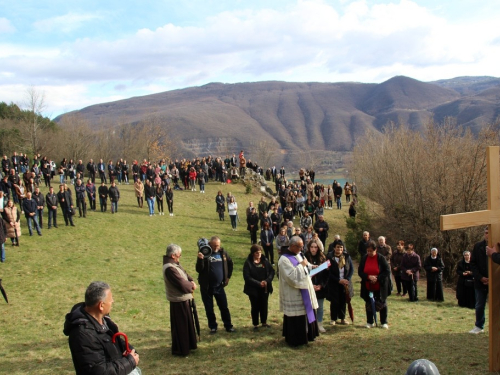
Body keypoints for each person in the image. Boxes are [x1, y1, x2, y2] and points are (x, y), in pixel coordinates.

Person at [64, 281, 140, 375]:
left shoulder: (102, 318)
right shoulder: (84, 335)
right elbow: (99, 371)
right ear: (101, 305)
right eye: (110, 299)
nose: (113, 301)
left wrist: (129, 349)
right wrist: (130, 362)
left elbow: (113, 341)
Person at [278, 236, 319, 346]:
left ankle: (309, 334)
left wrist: (312, 266)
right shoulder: (284, 259)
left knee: (307, 312)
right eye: (300, 247)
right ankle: (296, 339)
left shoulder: (298, 254)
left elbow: (305, 265)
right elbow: (291, 277)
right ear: (292, 246)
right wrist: (303, 266)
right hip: (293, 292)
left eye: (302, 246)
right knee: (297, 316)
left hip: (305, 289)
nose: (302, 249)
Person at [162, 243, 198, 356]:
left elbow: (185, 275)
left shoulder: (174, 264)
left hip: (183, 299)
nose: (180, 256)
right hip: (178, 300)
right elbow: (181, 284)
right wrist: (191, 286)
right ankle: (182, 349)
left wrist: (191, 280)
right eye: (179, 255)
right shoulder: (170, 269)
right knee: (181, 327)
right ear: (173, 255)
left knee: (186, 325)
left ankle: (189, 346)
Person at [196, 236, 235, 333]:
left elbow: (230, 264)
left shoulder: (223, 253)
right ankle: (213, 327)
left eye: (218, 245)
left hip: (219, 286)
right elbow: (199, 269)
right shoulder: (205, 252)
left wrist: (228, 277)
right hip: (206, 287)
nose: (216, 247)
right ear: (210, 244)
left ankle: (228, 326)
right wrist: (200, 259)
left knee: (224, 307)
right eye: (214, 246)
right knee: (209, 308)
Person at [358, 240, 391, 329]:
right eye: (367, 251)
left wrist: (377, 278)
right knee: (368, 303)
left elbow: (387, 271)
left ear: (375, 250)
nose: (369, 253)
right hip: (368, 286)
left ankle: (383, 322)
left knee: (382, 303)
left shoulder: (381, 258)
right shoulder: (364, 258)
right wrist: (368, 277)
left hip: (380, 286)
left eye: (371, 251)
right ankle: (370, 322)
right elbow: (360, 272)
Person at [243, 244, 275, 330]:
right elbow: (247, 277)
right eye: (257, 253)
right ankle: (255, 324)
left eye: (260, 252)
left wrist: (267, 281)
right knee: (255, 306)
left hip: (265, 288)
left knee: (264, 305)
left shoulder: (265, 261)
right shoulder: (248, 263)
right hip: (253, 289)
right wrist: (258, 283)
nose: (259, 254)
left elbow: (272, 271)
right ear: (253, 253)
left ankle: (264, 322)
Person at [326, 242, 354, 327]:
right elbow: (328, 272)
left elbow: (351, 269)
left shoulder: (347, 257)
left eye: (341, 247)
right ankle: (333, 318)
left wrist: (347, 279)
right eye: (338, 247)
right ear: (334, 248)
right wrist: (338, 280)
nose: (339, 249)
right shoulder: (330, 257)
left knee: (343, 300)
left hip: (345, 283)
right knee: (334, 301)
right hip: (334, 282)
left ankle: (342, 318)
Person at [305, 239, 329, 333]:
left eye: (315, 247)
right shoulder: (305, 258)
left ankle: (319, 324)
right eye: (312, 247)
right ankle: (310, 324)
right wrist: (311, 285)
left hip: (320, 287)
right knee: (309, 307)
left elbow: (326, 275)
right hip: (309, 287)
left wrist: (321, 285)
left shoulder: (323, 258)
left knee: (320, 307)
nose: (313, 249)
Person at [469, 227, 489, 334]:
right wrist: (480, 277)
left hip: (495, 281)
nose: (488, 235)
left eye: (490, 233)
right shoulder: (478, 246)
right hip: (480, 281)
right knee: (480, 304)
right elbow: (473, 263)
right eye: (486, 233)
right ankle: (479, 326)